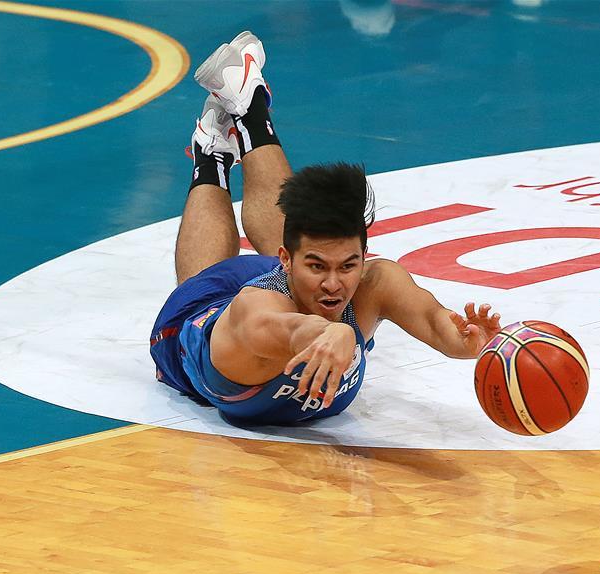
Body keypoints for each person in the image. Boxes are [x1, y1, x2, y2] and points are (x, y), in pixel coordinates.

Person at [150, 31, 501, 425]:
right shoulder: (255, 312)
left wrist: (468, 341)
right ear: (285, 259)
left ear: (364, 257)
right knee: (199, 280)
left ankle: (249, 109)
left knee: (306, 226)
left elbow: (435, 319)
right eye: (318, 267)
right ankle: (211, 155)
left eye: (348, 266)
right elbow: (291, 331)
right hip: (197, 322)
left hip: (290, 283)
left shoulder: (373, 282)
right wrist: (335, 334)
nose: (335, 283)